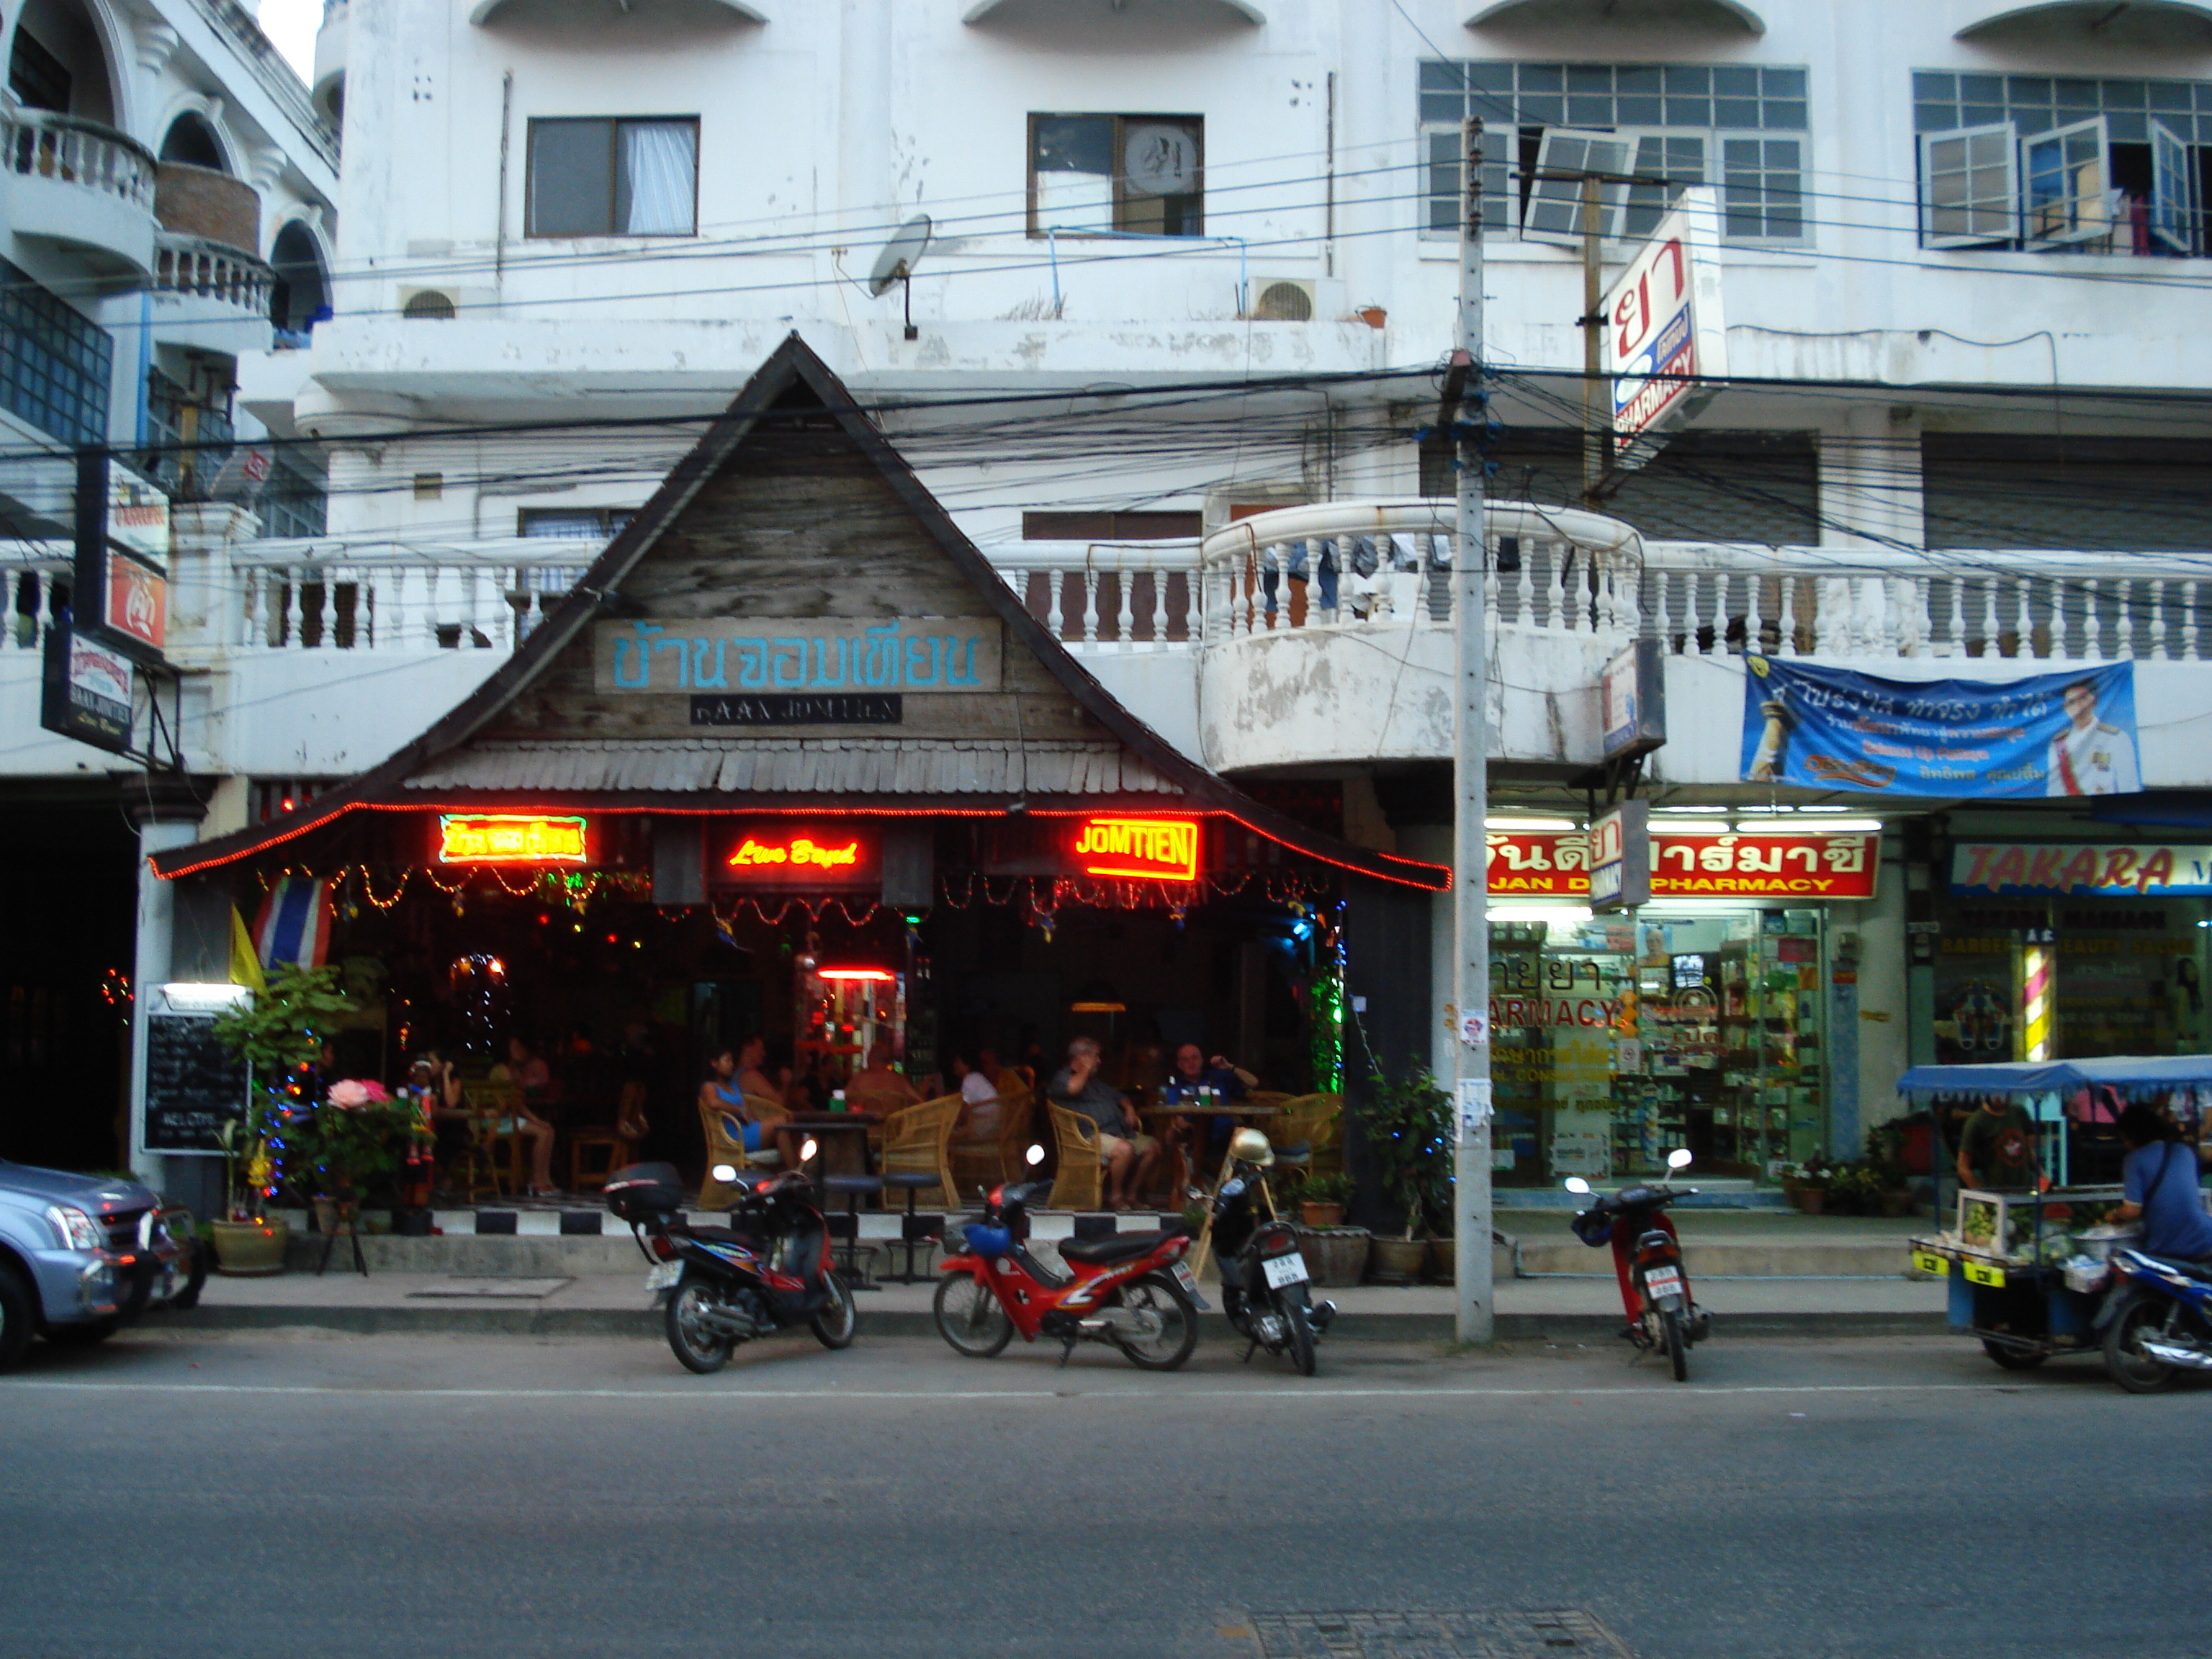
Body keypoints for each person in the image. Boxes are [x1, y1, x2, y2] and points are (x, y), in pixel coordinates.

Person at [1048, 1036, 1159, 1210]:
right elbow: (1072, 1089)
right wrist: (1084, 1069)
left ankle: (1131, 1194)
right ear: (1082, 1056)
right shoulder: (1062, 1077)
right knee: (1125, 1150)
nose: (1099, 1061)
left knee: (1153, 1147)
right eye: (1095, 1057)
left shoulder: (1095, 1082)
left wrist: (1129, 1108)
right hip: (1089, 1137)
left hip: (1117, 1132)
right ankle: (1116, 1196)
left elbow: (1121, 1097)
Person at [2110, 1102, 2212, 1262]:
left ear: (2129, 1135)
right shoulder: (2184, 1151)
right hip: (2206, 1235)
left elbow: (2132, 1210)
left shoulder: (2134, 1160)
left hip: (2171, 1246)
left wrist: (2114, 1215)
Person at [2046, 677, 2141, 796]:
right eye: (2071, 702)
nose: (2078, 706)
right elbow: (2054, 790)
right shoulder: (2058, 744)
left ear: (2094, 702)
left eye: (2083, 699)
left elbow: (2129, 785)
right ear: (2065, 708)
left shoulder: (2116, 738)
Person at [488, 1038, 559, 1196]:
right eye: (515, 1047)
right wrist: (536, 1120)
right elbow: (516, 1103)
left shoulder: (514, 1070)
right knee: (543, 1132)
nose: (521, 1051)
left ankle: (544, 1179)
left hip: (508, 1118)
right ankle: (537, 1182)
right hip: (497, 1120)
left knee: (549, 1131)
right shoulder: (502, 1070)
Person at [1956, 1094, 2040, 1193]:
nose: (1999, 1097)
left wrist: (2042, 1177)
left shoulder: (2018, 1112)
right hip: (1997, 1192)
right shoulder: (1976, 1122)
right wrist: (1982, 1196)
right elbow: (1963, 1167)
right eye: (1994, 1093)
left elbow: (2029, 1149)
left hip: (2026, 1190)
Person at [700, 1047, 768, 1157]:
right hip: (734, 1137)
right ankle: (795, 1170)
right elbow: (713, 1102)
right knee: (781, 1123)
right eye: (727, 1060)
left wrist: (760, 1124)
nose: (731, 1065)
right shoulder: (710, 1086)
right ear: (714, 1063)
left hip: (748, 1129)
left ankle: (794, 1169)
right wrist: (738, 1110)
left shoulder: (734, 1086)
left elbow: (748, 1111)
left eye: (732, 1061)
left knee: (785, 1126)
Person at [846, 1040, 922, 1113]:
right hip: (894, 1123)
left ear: (870, 1059)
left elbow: (841, 1099)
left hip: (864, 1123)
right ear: (888, 1062)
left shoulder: (859, 1078)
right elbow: (920, 1102)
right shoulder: (899, 1080)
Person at [952, 1050, 1002, 1141]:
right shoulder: (977, 1077)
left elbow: (962, 1111)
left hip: (983, 1128)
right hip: (993, 1128)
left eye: (957, 1062)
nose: (955, 1065)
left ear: (966, 1065)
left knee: (946, 1135)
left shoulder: (970, 1080)